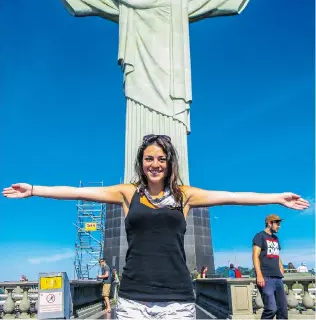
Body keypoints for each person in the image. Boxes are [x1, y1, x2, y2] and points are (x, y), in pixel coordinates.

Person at [20, 0, 289, 183]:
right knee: (138, 121)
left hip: (172, 73)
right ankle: (134, 181)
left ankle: (176, 182)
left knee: (173, 128)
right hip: (140, 68)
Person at [3, 135, 309, 319]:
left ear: (169, 162)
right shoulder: (127, 193)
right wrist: (33, 188)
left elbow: (231, 197)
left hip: (177, 297)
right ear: (142, 162)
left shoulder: (184, 195)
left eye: (161, 158)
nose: (155, 164)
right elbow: (77, 192)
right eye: (149, 158)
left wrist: (276, 197)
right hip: (134, 297)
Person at [252, 214, 288, 319]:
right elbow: (255, 256)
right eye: (277, 223)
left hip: (278, 278)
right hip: (266, 278)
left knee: (283, 310)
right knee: (271, 309)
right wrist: (259, 275)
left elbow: (276, 254)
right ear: (269, 223)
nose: (279, 226)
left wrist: (281, 267)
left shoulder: (275, 238)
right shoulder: (260, 236)